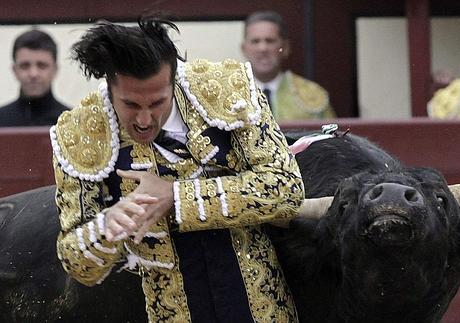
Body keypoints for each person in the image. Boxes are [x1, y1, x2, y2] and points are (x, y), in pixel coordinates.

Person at [51, 17, 306, 322]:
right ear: (110, 87)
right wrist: (106, 226)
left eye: (157, 102)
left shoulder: (228, 89)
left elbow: (286, 189)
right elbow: (78, 265)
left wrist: (176, 195)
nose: (144, 119)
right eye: (131, 104)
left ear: (173, 80)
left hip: (260, 304)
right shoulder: (81, 132)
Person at [241, 10, 336, 121]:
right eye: (255, 41)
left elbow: (331, 136)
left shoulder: (313, 94)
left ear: (285, 48)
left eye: (270, 41)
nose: (263, 48)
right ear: (244, 49)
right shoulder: (229, 95)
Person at [0, 29, 68, 127]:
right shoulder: (1, 120)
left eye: (42, 65)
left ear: (55, 69)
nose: (33, 74)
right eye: (25, 66)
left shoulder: (71, 123)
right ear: (15, 70)